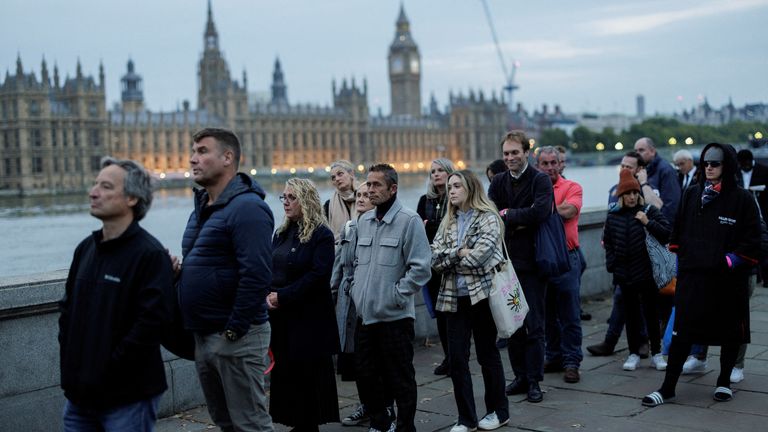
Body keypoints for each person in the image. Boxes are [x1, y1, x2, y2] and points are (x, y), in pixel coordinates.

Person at [59, 157, 173, 431]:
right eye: (95, 184)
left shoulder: (150, 254)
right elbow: (67, 313)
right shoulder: (85, 248)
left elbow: (150, 326)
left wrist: (106, 370)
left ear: (132, 198)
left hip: (127, 397)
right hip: (78, 396)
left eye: (105, 186)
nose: (93, 192)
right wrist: (72, 369)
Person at [643, 143, 760, 407]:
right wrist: (680, 255)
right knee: (682, 333)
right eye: (705, 162)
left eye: (715, 163)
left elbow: (754, 239)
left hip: (728, 281)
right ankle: (668, 387)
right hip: (694, 278)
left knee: (730, 333)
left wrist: (730, 261)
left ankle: (724, 382)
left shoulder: (742, 199)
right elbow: (678, 229)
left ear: (726, 166)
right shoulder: (692, 193)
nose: (709, 167)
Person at [177, 128, 274, 432]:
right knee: (226, 423)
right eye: (193, 151)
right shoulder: (203, 208)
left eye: (203, 151)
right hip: (205, 335)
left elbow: (257, 275)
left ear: (228, 157)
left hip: (235, 337)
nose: (193, 158)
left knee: (251, 425)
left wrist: (233, 331)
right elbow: (212, 263)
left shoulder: (248, 208)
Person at [351, 163, 432, 432]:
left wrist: (395, 295)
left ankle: (406, 427)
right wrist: (355, 291)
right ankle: (380, 423)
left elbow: (421, 268)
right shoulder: (364, 221)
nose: (369, 190)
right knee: (366, 375)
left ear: (392, 189)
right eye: (368, 184)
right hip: (366, 316)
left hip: (394, 317)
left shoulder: (409, 221)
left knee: (400, 379)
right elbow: (357, 263)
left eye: (376, 185)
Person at [431, 170, 509, 432]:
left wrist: (451, 257)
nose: (451, 190)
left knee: (487, 356)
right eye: (449, 186)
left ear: (471, 188)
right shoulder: (448, 221)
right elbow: (434, 259)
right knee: (457, 361)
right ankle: (466, 419)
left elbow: (481, 258)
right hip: (454, 299)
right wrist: (459, 252)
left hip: (482, 297)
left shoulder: (488, 218)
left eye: (456, 186)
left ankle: (498, 411)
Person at [268, 178, 340, 431]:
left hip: (309, 321)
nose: (286, 202)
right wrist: (267, 293)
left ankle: (308, 426)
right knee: (286, 376)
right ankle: (296, 424)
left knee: (306, 379)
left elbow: (318, 276)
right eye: (283, 197)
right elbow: (270, 267)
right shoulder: (281, 232)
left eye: (292, 197)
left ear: (306, 200)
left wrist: (283, 296)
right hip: (282, 319)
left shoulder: (322, 234)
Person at [488, 130, 552, 403]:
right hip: (506, 264)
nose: (510, 157)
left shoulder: (540, 179)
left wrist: (507, 215)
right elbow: (490, 215)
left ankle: (535, 380)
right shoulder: (499, 181)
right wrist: (515, 217)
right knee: (511, 323)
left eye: (515, 152)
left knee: (533, 324)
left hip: (533, 263)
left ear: (527, 152)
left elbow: (540, 212)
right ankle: (520, 376)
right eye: (506, 154)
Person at [332, 184, 394, 427]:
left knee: (377, 361)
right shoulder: (348, 228)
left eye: (366, 195)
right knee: (357, 361)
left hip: (372, 300)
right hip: (349, 304)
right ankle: (368, 406)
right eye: (358, 195)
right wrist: (333, 292)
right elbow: (339, 265)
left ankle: (385, 409)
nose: (360, 199)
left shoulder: (380, 229)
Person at [603, 169, 670, 372]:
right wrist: (612, 264)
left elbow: (667, 233)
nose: (632, 197)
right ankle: (633, 354)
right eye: (627, 194)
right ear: (621, 196)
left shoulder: (648, 211)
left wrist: (647, 223)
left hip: (648, 272)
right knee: (631, 316)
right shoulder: (613, 216)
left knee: (651, 314)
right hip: (624, 274)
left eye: (634, 193)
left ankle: (656, 353)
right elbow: (609, 242)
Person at [588, 151, 651, 358]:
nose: (623, 170)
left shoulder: (643, 191)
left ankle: (629, 342)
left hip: (642, 264)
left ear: (639, 170)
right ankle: (633, 342)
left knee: (633, 302)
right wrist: (612, 262)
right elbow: (610, 223)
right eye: (622, 166)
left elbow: (660, 213)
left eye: (629, 167)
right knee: (625, 300)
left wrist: (645, 185)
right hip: (622, 264)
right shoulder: (615, 191)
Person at [537, 147, 584, 383]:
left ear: (560, 164)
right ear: (538, 166)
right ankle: (553, 356)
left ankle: (572, 361)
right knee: (547, 315)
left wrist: (539, 211)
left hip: (567, 257)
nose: (549, 167)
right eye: (544, 163)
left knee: (570, 314)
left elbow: (570, 210)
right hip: (543, 260)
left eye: (553, 162)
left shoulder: (572, 187)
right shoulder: (534, 188)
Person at [416, 157, 455, 376]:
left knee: (453, 315)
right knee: (439, 314)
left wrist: (429, 225)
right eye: (432, 171)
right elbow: (418, 227)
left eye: (440, 170)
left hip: (451, 263)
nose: (436, 174)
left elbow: (450, 227)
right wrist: (432, 226)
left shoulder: (456, 197)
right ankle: (449, 357)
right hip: (432, 265)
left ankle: (458, 357)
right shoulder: (425, 200)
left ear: (450, 173)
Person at [634, 137, 681, 223]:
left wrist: (661, 227)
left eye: (641, 150)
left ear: (652, 151)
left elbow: (672, 204)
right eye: (636, 151)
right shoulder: (642, 171)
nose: (637, 154)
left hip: (661, 228)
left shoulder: (666, 170)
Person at [324, 160, 358, 241]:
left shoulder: (367, 198)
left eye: (340, 174)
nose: (337, 179)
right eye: (333, 177)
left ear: (351, 174)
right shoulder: (328, 205)